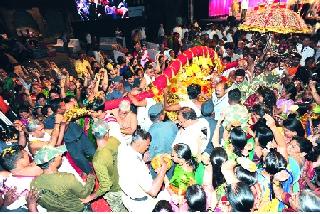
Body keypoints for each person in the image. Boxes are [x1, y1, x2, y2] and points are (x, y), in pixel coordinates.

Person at [117, 128, 169, 212]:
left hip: (127, 196)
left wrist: (142, 159)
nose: (148, 148)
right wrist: (163, 169)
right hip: (140, 204)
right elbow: (153, 191)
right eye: (147, 145)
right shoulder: (137, 166)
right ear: (138, 144)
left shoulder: (123, 147)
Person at [31, 145, 96, 212]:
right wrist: (91, 179)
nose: (61, 157)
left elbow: (41, 202)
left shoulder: (34, 184)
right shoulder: (68, 178)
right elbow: (84, 194)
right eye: (59, 155)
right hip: (76, 209)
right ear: (53, 162)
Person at [80, 119, 126, 211]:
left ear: (93, 133)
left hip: (115, 190)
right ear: (107, 132)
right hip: (124, 181)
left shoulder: (98, 160)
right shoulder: (114, 140)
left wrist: (91, 197)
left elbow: (106, 185)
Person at [148, 103, 178, 178]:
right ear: (161, 116)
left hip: (156, 164)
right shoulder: (172, 125)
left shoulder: (149, 131)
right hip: (171, 161)